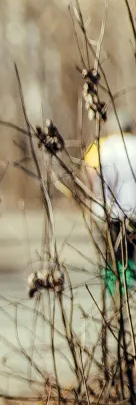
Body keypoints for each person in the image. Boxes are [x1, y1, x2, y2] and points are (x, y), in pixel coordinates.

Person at [83, 119, 136, 294]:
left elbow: (90, 173)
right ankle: (129, 291)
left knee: (111, 256)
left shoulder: (100, 147)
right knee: (131, 256)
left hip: (106, 212)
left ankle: (114, 293)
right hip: (133, 213)